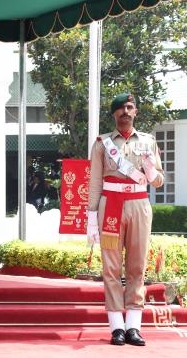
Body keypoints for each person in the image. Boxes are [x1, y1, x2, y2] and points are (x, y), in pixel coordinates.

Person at [87, 93, 163, 347]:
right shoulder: (102, 143)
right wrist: (91, 216)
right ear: (114, 114)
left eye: (130, 107)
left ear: (135, 112)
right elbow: (95, 182)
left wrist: (150, 170)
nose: (125, 112)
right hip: (110, 206)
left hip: (139, 204)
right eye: (120, 108)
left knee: (137, 265)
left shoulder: (148, 142)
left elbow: (159, 181)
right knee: (111, 267)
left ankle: (133, 326)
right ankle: (116, 327)